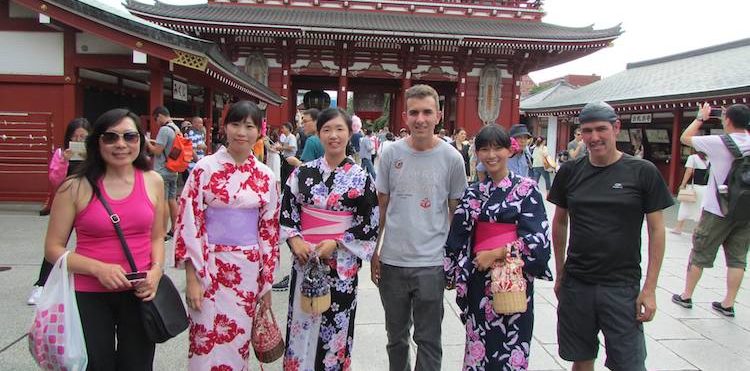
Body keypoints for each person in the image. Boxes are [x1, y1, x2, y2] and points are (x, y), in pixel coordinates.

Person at [548, 101, 673, 371]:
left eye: (601, 129)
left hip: (622, 285)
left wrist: (650, 289)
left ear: (616, 127)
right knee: (581, 357)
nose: (594, 138)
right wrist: (560, 273)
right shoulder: (570, 172)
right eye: (587, 131)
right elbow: (559, 223)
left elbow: (656, 230)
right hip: (578, 282)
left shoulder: (643, 172)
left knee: (628, 362)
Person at [44, 108, 166, 370]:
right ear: (96, 142)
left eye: (130, 137)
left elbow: (157, 237)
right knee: (96, 364)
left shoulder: (153, 181)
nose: (121, 144)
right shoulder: (74, 187)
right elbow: (52, 249)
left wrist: (156, 271)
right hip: (89, 294)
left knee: (138, 365)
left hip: (139, 293)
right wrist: (97, 268)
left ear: (140, 142)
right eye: (110, 137)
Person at [175, 100, 280, 369]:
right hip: (208, 267)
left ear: (260, 131)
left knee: (238, 340)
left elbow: (269, 230)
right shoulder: (204, 169)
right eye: (235, 124)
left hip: (246, 271)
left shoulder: (266, 176)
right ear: (225, 128)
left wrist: (266, 282)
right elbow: (189, 220)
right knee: (204, 338)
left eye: (249, 126)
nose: (241, 132)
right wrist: (192, 277)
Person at [373, 84, 468, 370]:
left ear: (438, 115)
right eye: (414, 112)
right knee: (396, 338)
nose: (421, 119)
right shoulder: (390, 153)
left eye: (427, 112)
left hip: (432, 262)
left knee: (429, 339)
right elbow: (382, 206)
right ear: (404, 116)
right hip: (393, 261)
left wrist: (453, 260)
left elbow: (456, 212)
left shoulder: (452, 158)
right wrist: (375, 251)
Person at [445, 124, 552, 370]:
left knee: (511, 348)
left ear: (509, 150)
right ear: (477, 153)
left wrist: (497, 252)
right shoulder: (473, 192)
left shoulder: (527, 189)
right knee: (477, 347)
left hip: (512, 280)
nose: (491, 155)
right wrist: (450, 271)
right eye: (484, 149)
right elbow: (457, 237)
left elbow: (539, 240)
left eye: (497, 148)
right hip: (478, 280)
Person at [280, 108, 379, 369]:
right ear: (318, 133)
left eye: (339, 129)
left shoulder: (361, 177)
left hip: (341, 265)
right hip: (305, 260)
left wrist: (337, 242)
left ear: (350, 133)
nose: (333, 136)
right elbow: (287, 212)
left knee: (336, 326)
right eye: (327, 130)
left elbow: (369, 222)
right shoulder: (302, 173)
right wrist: (294, 240)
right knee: (301, 320)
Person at [672, 103, 750, 317]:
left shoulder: (719, 142)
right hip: (745, 211)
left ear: (728, 120)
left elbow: (684, 138)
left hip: (717, 209)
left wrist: (700, 118)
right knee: (738, 258)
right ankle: (728, 303)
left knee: (700, 253)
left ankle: (687, 295)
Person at [29, 118, 91, 305]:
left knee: (90, 243)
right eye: (75, 136)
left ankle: (85, 281)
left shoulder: (95, 154)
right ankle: (41, 284)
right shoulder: (60, 154)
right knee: (56, 244)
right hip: (66, 204)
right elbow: (55, 180)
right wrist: (64, 160)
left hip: (88, 203)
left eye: (83, 137)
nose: (79, 140)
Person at [146, 106, 180, 241]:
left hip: (162, 171)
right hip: (173, 169)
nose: (156, 121)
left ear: (160, 115)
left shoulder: (164, 130)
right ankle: (175, 228)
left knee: (163, 201)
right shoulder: (176, 128)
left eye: (156, 119)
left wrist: (148, 143)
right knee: (172, 200)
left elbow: (157, 151)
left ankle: (163, 232)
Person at [671, 151, 709, 234]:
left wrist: (683, 184)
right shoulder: (710, 157)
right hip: (707, 188)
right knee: (701, 209)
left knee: (685, 206)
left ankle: (679, 227)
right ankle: (698, 229)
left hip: (695, 187)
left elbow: (689, 171)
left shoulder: (693, 158)